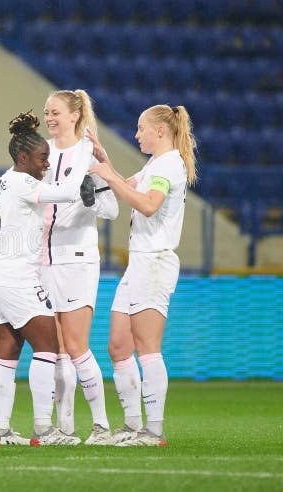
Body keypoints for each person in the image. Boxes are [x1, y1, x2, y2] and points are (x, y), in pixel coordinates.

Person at [87, 104, 197, 447]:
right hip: (138, 263)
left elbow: (147, 204)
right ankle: (133, 426)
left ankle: (155, 431)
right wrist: (105, 162)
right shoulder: (155, 164)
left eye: (140, 129)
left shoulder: (169, 165)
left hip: (154, 262)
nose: (136, 135)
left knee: (148, 348)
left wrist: (108, 176)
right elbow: (123, 185)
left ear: (160, 131)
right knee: (118, 346)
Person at [0, 111, 94, 447]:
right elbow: (69, 191)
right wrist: (86, 149)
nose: (46, 163)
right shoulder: (23, 182)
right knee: (48, 347)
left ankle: (0, 431)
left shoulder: (5, 180)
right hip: (17, 277)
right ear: (23, 157)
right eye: (42, 157)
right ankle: (44, 430)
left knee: (7, 350)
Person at [40, 90, 119, 445]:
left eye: (55, 111)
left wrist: (92, 198)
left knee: (76, 345)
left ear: (74, 115)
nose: (49, 117)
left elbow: (112, 210)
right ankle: (64, 427)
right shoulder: (42, 152)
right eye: (46, 112)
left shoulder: (89, 152)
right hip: (43, 259)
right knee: (55, 349)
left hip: (77, 259)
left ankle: (101, 426)